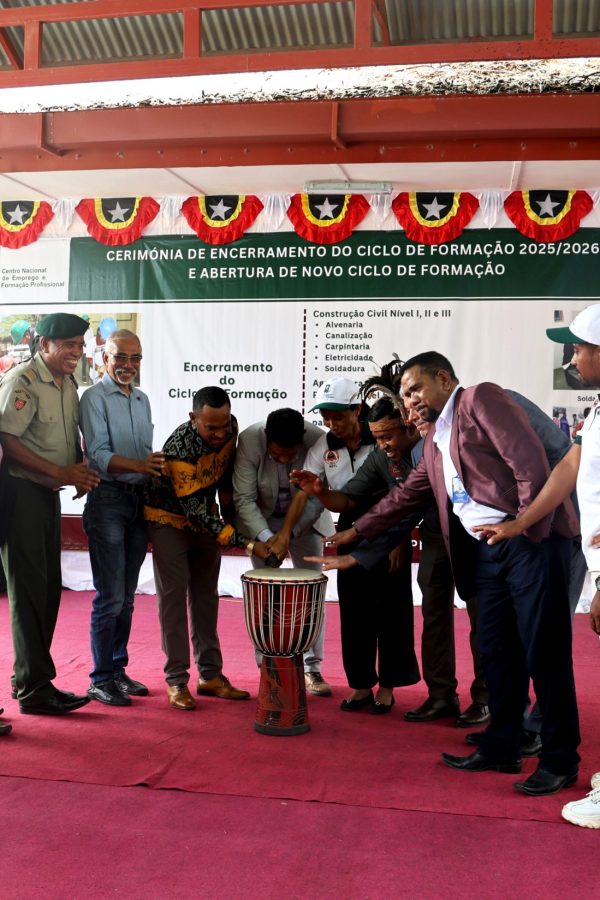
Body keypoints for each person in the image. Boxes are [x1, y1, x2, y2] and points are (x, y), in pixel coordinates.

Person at [329, 351, 580, 796]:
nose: (410, 402)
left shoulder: (480, 399)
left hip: (527, 542)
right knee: (497, 650)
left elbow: (530, 466)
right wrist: (355, 535)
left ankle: (560, 758)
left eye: (415, 389)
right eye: (405, 396)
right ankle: (501, 744)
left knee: (544, 649)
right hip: (486, 551)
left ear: (444, 378)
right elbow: (406, 497)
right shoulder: (433, 443)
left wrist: (526, 529)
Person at [476, 305, 600, 824]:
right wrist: (518, 521)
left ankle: (565, 763)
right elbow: (569, 469)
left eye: (579, 348)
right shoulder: (596, 411)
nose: (572, 358)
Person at [144, 386, 270, 711]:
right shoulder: (179, 450)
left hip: (206, 518)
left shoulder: (231, 428)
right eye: (210, 427)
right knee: (173, 598)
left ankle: (210, 676)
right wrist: (245, 540)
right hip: (169, 519)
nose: (219, 433)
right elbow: (194, 511)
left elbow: (225, 479)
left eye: (224, 424)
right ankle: (176, 681)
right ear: (192, 419)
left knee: (206, 597)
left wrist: (231, 517)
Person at [0, 312, 100, 716]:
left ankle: (34, 680)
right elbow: (6, 438)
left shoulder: (67, 383)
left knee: (46, 591)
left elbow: (66, 433)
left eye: (79, 344)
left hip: (45, 497)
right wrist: (59, 471)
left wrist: (75, 467)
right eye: (68, 345)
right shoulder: (22, 381)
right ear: (43, 345)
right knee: (28, 594)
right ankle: (32, 687)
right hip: (18, 494)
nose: (76, 352)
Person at [298, 397, 420, 713]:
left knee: (392, 614)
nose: (383, 444)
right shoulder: (376, 456)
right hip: (356, 532)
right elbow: (348, 500)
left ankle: (388, 688)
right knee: (355, 614)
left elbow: (408, 504)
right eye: (378, 438)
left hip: (393, 534)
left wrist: (397, 539)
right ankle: (362, 686)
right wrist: (321, 493)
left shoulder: (423, 450)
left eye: (388, 436)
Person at [80, 329, 164, 707]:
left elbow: (142, 453)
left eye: (136, 358)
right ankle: (99, 679)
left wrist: (152, 467)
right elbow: (97, 453)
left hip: (138, 503)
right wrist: (141, 465)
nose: (128, 365)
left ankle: (116, 669)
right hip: (108, 502)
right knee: (110, 597)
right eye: (120, 358)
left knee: (127, 598)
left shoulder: (143, 399)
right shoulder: (93, 398)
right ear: (105, 359)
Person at [233, 407, 334, 695]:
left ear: (302, 439)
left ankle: (312, 670)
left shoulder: (318, 440)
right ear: (266, 438)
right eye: (277, 456)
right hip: (260, 521)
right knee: (263, 596)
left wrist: (288, 536)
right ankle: (268, 667)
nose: (285, 460)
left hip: (306, 523)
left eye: (291, 455)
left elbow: (315, 499)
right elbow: (244, 498)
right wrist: (267, 538)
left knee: (312, 595)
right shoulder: (250, 440)